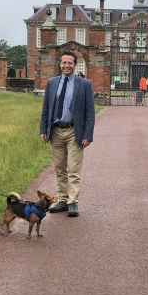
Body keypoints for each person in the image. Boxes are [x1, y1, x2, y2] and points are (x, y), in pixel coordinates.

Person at [40, 50, 95, 217]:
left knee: (73, 168)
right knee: (59, 168)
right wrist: (43, 129)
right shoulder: (51, 83)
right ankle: (62, 200)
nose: (66, 66)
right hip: (56, 131)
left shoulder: (84, 84)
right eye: (64, 63)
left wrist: (88, 134)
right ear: (60, 64)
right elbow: (46, 108)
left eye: (70, 63)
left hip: (74, 131)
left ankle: (73, 202)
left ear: (75, 64)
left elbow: (89, 112)